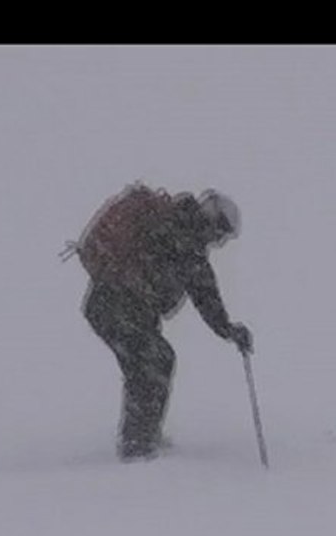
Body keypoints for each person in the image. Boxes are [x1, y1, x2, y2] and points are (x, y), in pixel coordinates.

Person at [73, 182, 252, 461]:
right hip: (117, 308)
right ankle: (138, 446)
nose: (216, 242)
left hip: (109, 306)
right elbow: (206, 295)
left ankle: (140, 438)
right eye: (219, 235)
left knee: (148, 365)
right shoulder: (183, 238)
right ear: (211, 223)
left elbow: (205, 294)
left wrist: (228, 329)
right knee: (154, 362)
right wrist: (228, 329)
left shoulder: (178, 227)